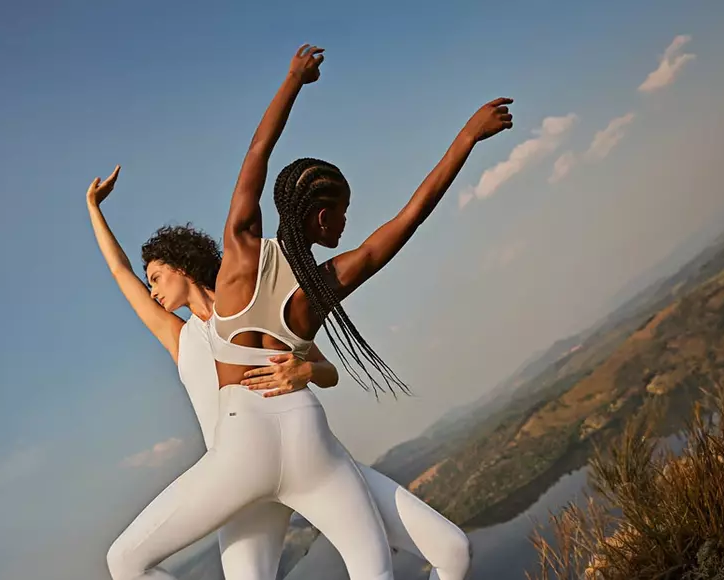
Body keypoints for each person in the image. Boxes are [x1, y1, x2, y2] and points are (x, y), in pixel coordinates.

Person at [106, 43, 512, 580]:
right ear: (321, 216)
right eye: (341, 213)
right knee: (378, 574)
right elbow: (408, 219)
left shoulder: (239, 254)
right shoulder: (322, 286)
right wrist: (465, 139)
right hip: (309, 444)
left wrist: (294, 80)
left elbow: (258, 152)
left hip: (241, 449)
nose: (345, 224)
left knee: (125, 562)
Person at [86, 165, 471, 579]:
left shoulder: (249, 303)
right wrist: (94, 208)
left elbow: (327, 371)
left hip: (306, 457)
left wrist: (305, 370)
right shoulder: (180, 336)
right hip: (236, 484)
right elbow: (119, 272)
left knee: (452, 551)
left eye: (157, 277)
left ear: (182, 265)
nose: (153, 290)